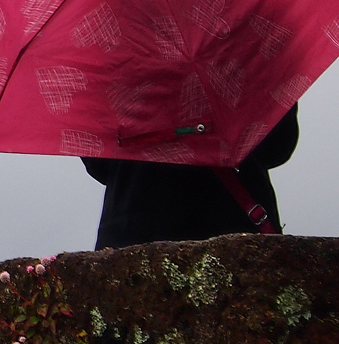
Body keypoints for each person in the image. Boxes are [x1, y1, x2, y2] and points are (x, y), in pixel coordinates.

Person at [82, 104, 299, 249]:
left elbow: (99, 162)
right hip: (238, 221)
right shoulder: (248, 41)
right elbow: (277, 146)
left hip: (133, 228)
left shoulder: (106, 50)